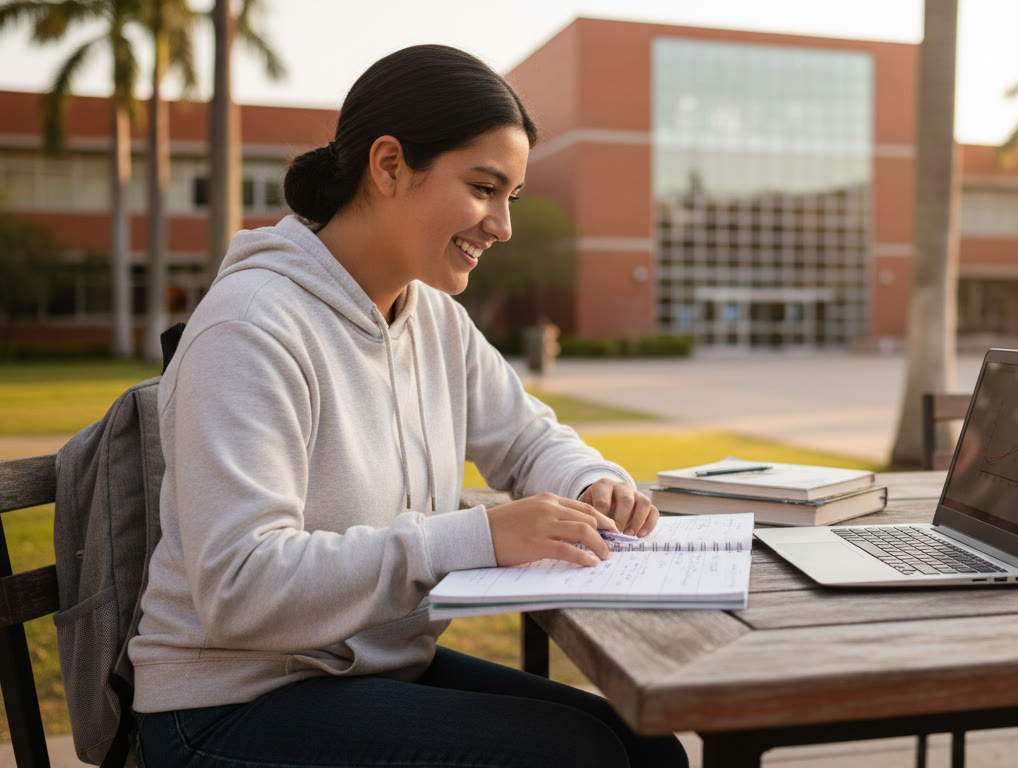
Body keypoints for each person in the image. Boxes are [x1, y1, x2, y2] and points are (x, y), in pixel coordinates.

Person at [130, 44, 688, 768]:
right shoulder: (251, 326)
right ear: (389, 165)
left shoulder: (431, 317)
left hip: (367, 670)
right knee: (582, 756)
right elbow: (240, 586)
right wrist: (474, 536)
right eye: (484, 188)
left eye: (509, 197)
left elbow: (524, 439)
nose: (502, 226)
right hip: (226, 706)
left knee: (646, 745)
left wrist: (588, 481)